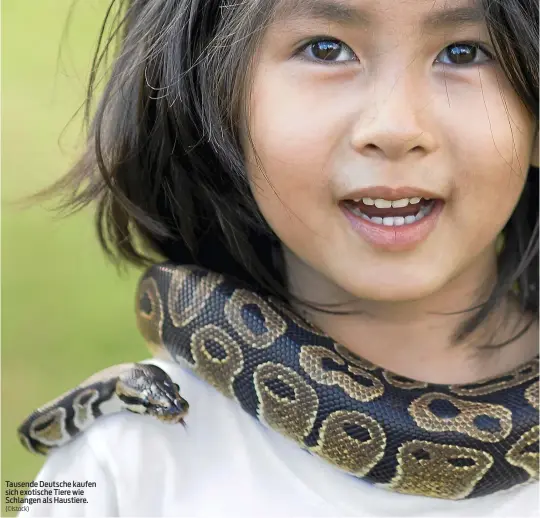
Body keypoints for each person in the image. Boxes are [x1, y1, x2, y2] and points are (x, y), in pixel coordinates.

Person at [21, 0, 538, 516]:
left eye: (465, 51)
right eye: (325, 49)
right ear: (215, 104)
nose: (395, 127)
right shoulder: (118, 464)